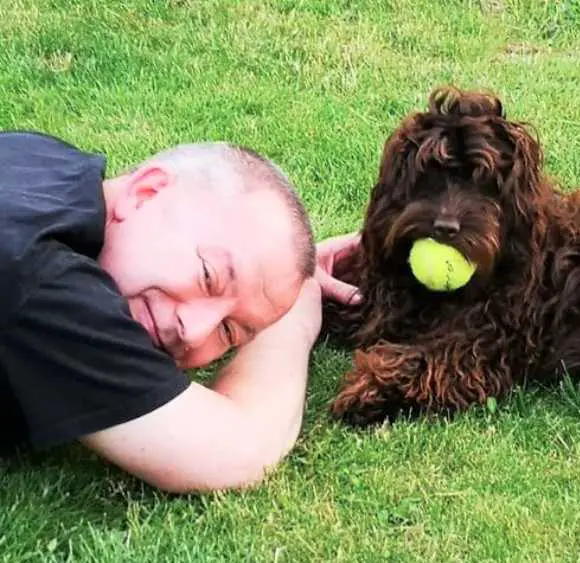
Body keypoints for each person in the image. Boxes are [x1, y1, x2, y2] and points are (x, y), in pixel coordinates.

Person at [0, 130, 361, 493]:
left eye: (229, 333)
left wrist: (285, 280)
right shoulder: (42, 280)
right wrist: (298, 313)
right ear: (146, 192)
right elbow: (237, 451)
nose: (194, 331)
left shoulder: (39, 157)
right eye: (209, 276)